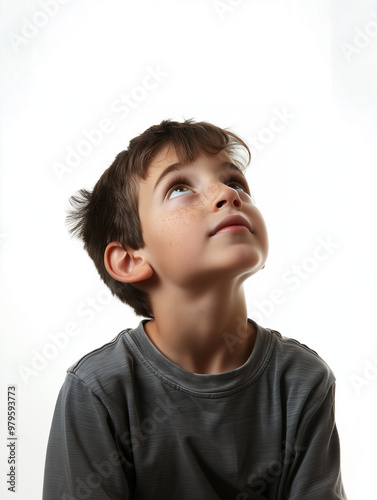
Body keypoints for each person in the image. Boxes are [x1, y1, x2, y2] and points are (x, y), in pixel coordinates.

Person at [43, 119, 347, 499]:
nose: (227, 194)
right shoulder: (98, 391)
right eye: (180, 188)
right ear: (129, 260)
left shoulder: (303, 382)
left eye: (235, 182)